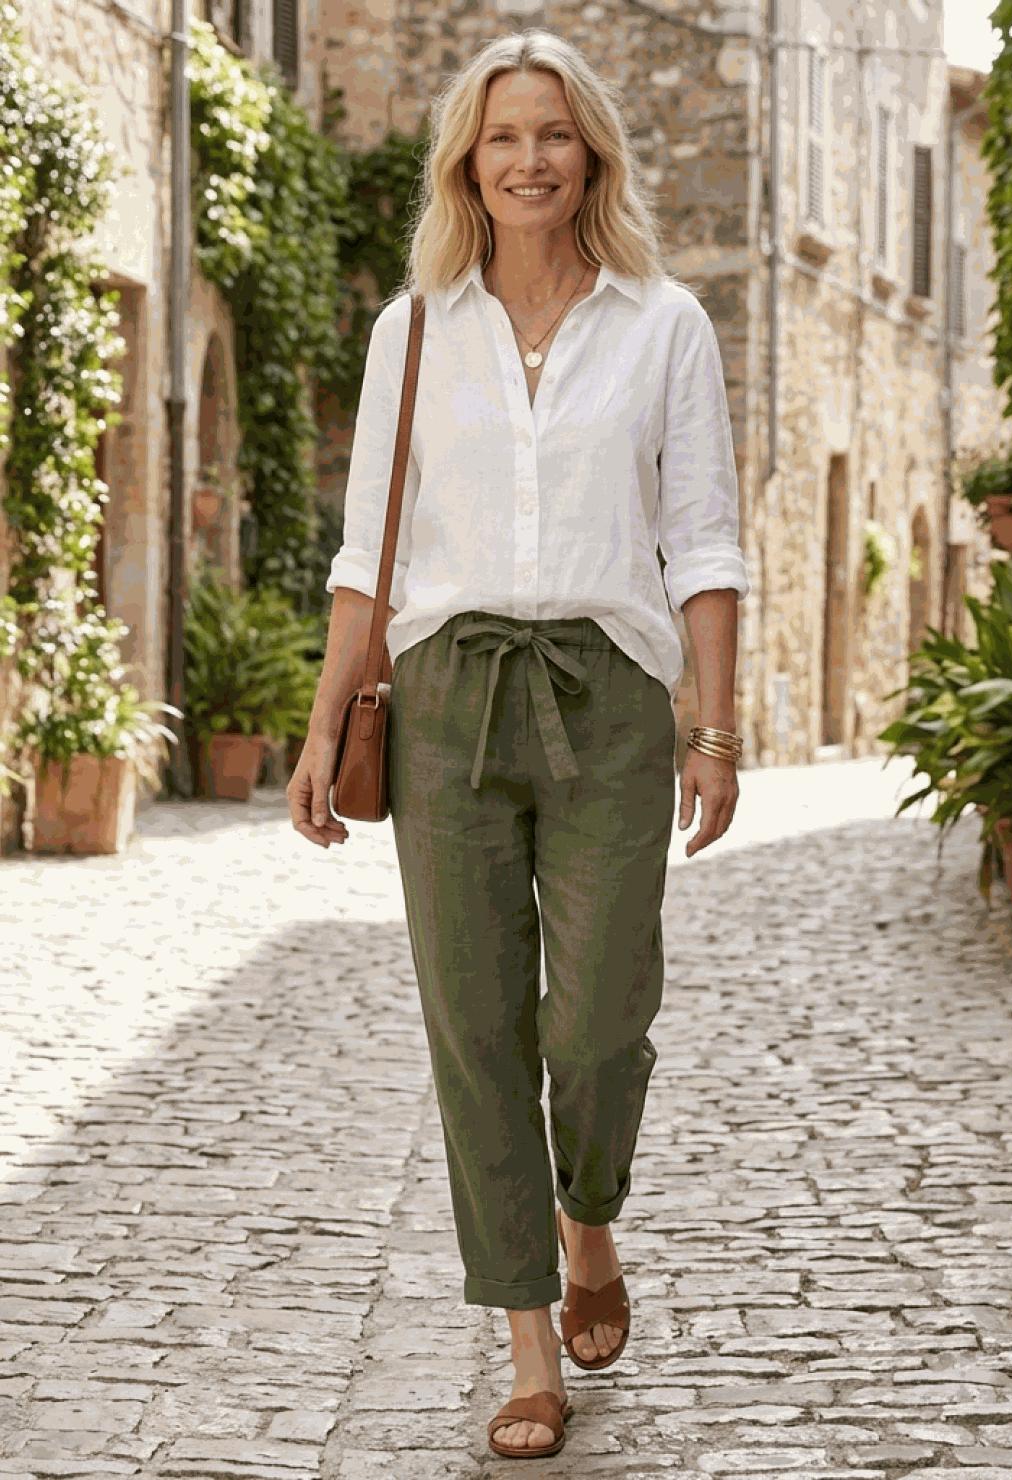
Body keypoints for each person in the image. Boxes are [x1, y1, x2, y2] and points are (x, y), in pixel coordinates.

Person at [287, 28, 749, 1460]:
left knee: (599, 1017)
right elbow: (367, 550)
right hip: (444, 702)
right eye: (503, 138)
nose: (529, 159)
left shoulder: (663, 323)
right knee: (475, 1035)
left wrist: (713, 729)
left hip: (610, 696)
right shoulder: (412, 330)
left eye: (553, 134)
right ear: (468, 165)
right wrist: (318, 734)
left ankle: (588, 1220)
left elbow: (705, 542)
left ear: (589, 154)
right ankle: (526, 1340)